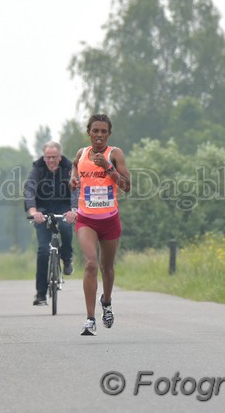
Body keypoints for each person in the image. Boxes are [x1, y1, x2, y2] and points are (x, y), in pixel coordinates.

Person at [70, 114, 131, 336]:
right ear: (89, 132)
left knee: (107, 267)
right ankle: (89, 319)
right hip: (86, 219)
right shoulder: (81, 153)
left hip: (110, 220)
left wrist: (108, 168)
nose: (99, 135)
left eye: (103, 131)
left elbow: (126, 186)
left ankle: (106, 302)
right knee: (90, 264)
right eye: (95, 131)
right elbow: (75, 166)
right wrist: (73, 179)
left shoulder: (114, 154)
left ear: (109, 134)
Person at [24, 141, 78, 306]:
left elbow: (77, 189)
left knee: (65, 228)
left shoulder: (70, 168)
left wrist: (74, 210)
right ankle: (41, 294)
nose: (51, 160)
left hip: (64, 208)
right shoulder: (37, 169)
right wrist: (33, 211)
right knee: (43, 250)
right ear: (43, 156)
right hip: (42, 210)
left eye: (54, 157)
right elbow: (30, 189)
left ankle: (67, 259)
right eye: (48, 157)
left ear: (60, 157)